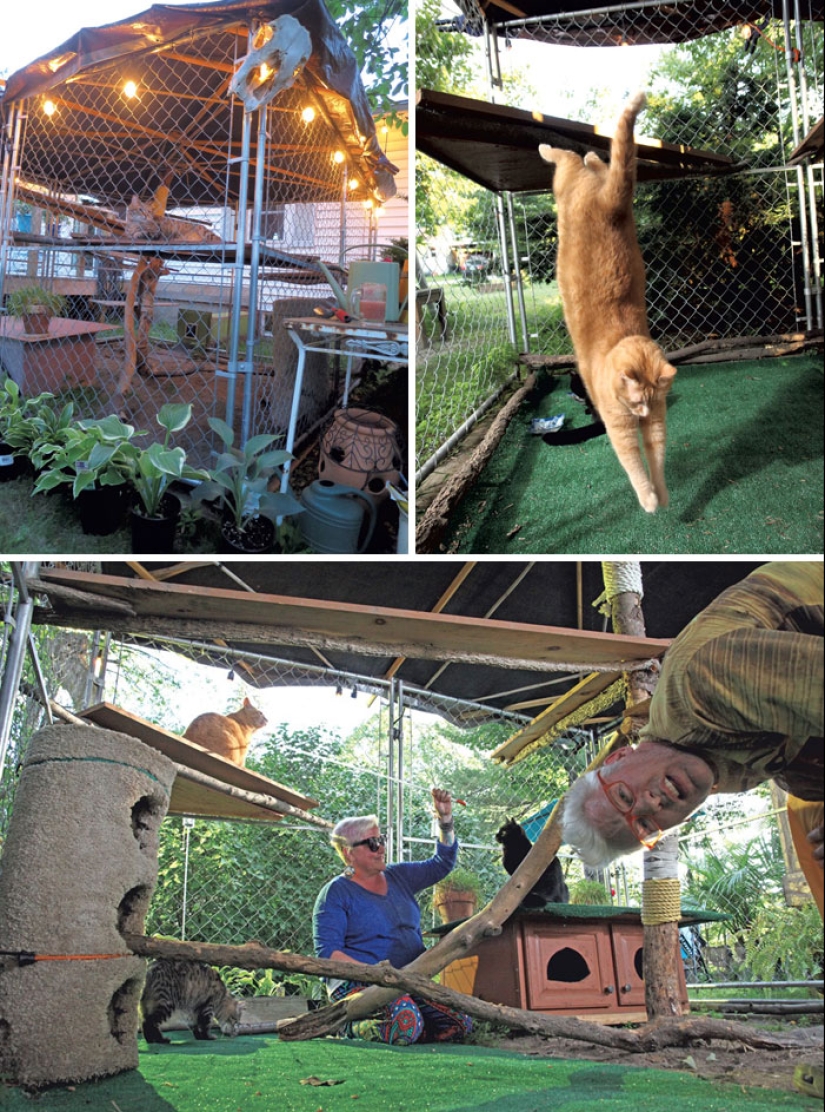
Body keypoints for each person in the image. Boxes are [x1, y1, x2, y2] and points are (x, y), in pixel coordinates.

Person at [561, 561, 823, 917]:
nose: (650, 805)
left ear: (617, 758)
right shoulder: (709, 765)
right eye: (644, 826)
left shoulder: (702, 683)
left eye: (624, 796)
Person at [312, 788, 473, 1045]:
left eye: (382, 839)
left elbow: (442, 863)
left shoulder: (400, 876)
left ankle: (410, 1028)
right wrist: (378, 976)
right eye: (372, 843)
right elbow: (328, 954)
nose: (381, 848)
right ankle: (347, 1027)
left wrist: (445, 820)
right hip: (359, 985)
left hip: (408, 981)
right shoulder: (335, 893)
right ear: (348, 852)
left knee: (460, 1022)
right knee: (405, 1020)